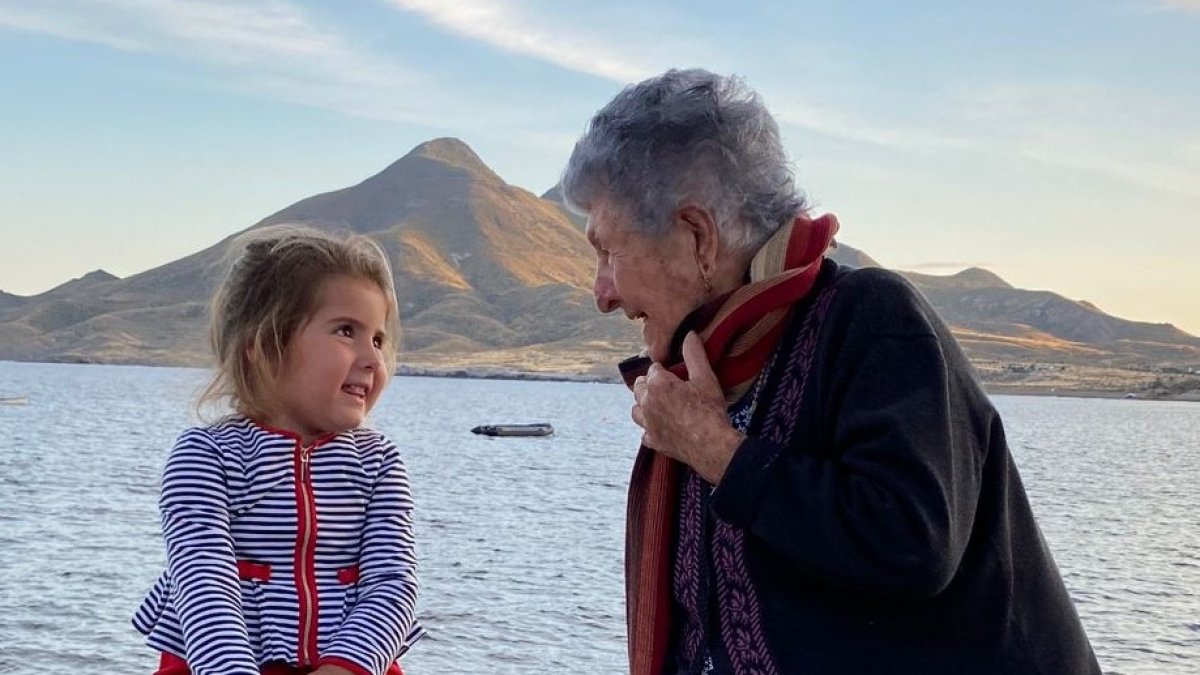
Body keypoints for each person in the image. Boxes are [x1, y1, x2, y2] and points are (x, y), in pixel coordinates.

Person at [560, 68, 1101, 675]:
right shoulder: (707, 368)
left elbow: (912, 543)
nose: (602, 293)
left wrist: (719, 452)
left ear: (698, 237)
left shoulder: (871, 320)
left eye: (608, 251)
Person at [133, 226, 424, 675]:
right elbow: (202, 580)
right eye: (347, 331)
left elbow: (392, 584)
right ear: (264, 347)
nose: (373, 359)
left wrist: (342, 669)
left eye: (379, 340)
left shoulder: (379, 463)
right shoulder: (206, 455)